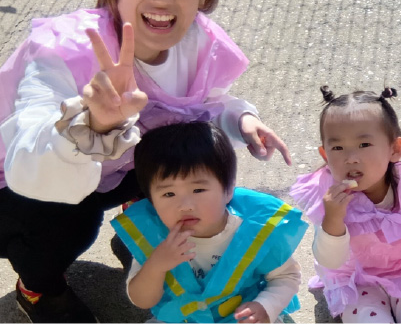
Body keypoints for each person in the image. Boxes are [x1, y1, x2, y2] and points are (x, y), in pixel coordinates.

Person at [0, 0, 292, 322]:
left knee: (188, 160)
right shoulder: (63, 51)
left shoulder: (198, 42)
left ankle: (141, 235)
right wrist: (92, 127)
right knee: (73, 222)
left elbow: (203, 104)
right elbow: (28, 153)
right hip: (22, 184)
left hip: (118, 167)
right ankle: (39, 288)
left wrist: (240, 118)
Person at [111, 121, 308, 323]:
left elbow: (286, 277)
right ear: (151, 201)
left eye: (198, 190)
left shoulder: (254, 231)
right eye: (169, 194)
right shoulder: (156, 238)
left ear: (228, 189)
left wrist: (265, 306)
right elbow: (142, 301)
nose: (185, 206)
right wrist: (156, 266)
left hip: (242, 315)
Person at [290, 86, 401, 323]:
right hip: (356, 281)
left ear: (395, 149)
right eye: (337, 148)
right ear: (325, 155)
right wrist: (333, 220)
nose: (351, 158)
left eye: (364, 145)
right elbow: (331, 261)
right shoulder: (328, 194)